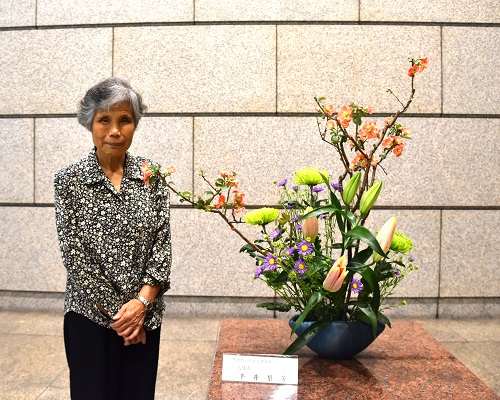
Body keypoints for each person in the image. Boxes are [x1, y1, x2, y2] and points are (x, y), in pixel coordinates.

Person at [54, 77, 171, 400]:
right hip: (89, 318)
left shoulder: (152, 177)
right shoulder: (69, 181)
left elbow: (162, 247)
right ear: (90, 123)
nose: (115, 130)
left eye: (125, 120)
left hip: (145, 318)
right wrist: (123, 317)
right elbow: (75, 258)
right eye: (104, 119)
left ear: (135, 124)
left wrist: (142, 304)